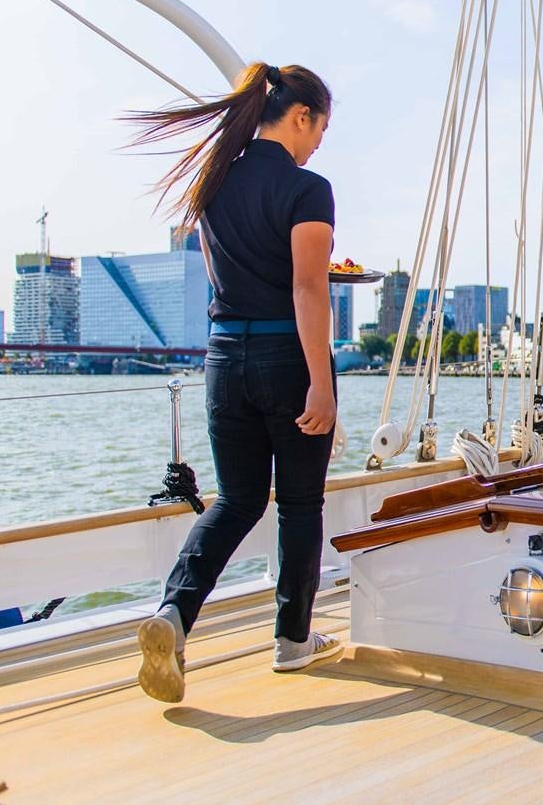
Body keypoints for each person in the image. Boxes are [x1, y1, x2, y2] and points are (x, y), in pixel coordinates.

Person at [126, 62, 343, 703]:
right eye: (320, 129)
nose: (318, 145)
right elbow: (308, 286)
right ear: (300, 116)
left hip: (223, 361)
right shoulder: (308, 189)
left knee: (237, 500)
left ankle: (173, 613)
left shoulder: (213, 180)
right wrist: (321, 381)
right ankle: (293, 642)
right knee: (299, 504)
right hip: (286, 355)